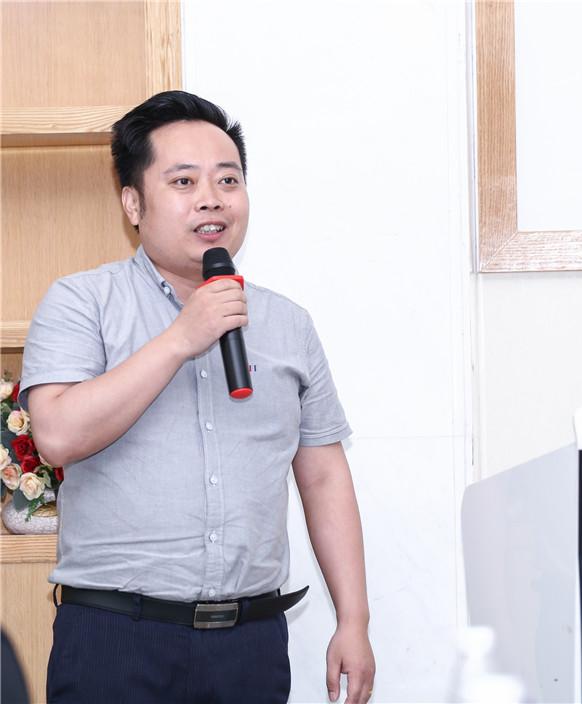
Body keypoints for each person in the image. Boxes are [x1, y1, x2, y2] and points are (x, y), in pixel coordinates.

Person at [20, 90, 375, 704]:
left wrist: (355, 620)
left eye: (227, 180)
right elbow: (55, 436)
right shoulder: (82, 302)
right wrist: (181, 338)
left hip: (250, 643)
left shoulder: (288, 324)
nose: (212, 198)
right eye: (183, 181)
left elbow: (323, 476)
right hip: (115, 637)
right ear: (133, 203)